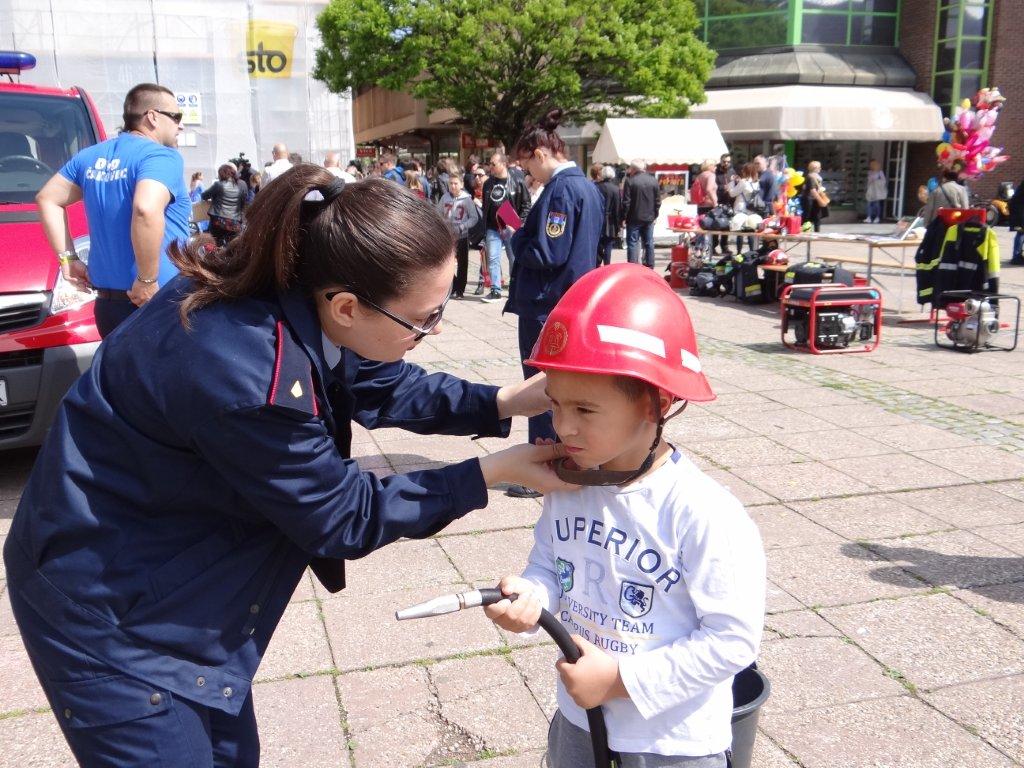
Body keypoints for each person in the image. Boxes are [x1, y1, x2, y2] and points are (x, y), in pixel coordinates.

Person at [4, 167, 572, 767]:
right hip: (111, 615)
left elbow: (375, 379)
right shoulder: (244, 372)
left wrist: (508, 400)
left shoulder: (295, 287)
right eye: (424, 319)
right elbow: (343, 514)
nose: (433, 330)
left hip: (171, 580)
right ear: (348, 306)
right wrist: (490, 473)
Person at [484, 264, 765, 768]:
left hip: (670, 742)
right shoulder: (568, 486)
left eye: (586, 410)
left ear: (657, 403)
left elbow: (732, 640)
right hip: (578, 721)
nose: (562, 425)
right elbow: (550, 566)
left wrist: (619, 681)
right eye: (555, 404)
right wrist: (532, 596)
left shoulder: (703, 512)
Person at [35, 82, 189, 337]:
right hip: (156, 300)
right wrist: (147, 280)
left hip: (108, 306)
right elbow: (145, 209)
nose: (180, 125)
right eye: (176, 117)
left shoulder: (90, 157)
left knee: (118, 376)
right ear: (152, 117)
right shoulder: (160, 157)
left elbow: (47, 199)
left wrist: (68, 259)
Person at [505, 108, 603, 497]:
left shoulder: (561, 189)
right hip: (572, 299)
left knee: (542, 386)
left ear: (539, 154)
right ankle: (570, 458)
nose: (528, 173)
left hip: (549, 302)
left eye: (527, 164)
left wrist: (517, 236)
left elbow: (548, 252)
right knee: (566, 386)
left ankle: (545, 463)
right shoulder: (587, 188)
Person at [481, 150, 532, 302]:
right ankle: (495, 290)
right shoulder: (488, 183)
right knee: (493, 258)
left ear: (503, 164)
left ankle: (515, 288)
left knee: (513, 258)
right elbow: (485, 205)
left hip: (511, 227)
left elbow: (526, 205)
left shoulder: (517, 181)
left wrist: (518, 224)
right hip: (493, 227)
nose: (490, 166)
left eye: (493, 163)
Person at [439, 173, 480, 298]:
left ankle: (460, 290)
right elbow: (438, 213)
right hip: (448, 236)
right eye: (450, 183)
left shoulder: (467, 199)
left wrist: (462, 227)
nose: (453, 186)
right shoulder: (444, 198)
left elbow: (474, 218)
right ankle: (453, 285)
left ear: (461, 184)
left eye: (456, 183)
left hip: (462, 236)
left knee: (462, 264)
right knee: (445, 263)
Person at [621, 160, 660, 268]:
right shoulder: (653, 181)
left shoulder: (630, 181)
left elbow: (626, 202)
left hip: (634, 217)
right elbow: (658, 201)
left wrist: (623, 217)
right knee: (649, 242)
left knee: (633, 243)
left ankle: (633, 266)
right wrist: (655, 214)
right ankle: (650, 265)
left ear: (633, 169)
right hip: (649, 217)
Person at [201, 162, 249, 246]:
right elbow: (243, 201)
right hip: (235, 222)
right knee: (232, 246)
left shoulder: (218, 185)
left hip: (218, 221)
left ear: (221, 174)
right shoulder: (240, 186)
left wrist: (214, 197)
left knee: (214, 244)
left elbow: (204, 196)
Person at [728, 162, 760, 253]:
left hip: (741, 208)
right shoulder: (757, 182)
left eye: (743, 169)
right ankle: (752, 251)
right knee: (750, 230)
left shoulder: (743, 182)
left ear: (747, 171)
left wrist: (732, 182)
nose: (742, 171)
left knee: (740, 232)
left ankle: (739, 252)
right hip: (752, 209)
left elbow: (732, 193)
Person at [595, 165, 622, 267]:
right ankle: (607, 266)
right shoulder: (615, 189)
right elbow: (617, 208)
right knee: (608, 245)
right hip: (610, 221)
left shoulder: (596, 187)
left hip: (597, 220)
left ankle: (596, 265)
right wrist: (618, 223)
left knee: (597, 245)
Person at [713, 153, 736, 254]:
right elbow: (713, 186)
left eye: (728, 162)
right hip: (718, 201)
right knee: (716, 225)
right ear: (720, 161)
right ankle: (713, 246)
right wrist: (723, 188)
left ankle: (724, 246)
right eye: (724, 161)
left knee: (726, 225)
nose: (726, 163)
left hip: (728, 202)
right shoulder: (715, 171)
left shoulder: (732, 171)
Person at [801, 160, 829, 232]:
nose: (820, 169)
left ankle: (808, 231)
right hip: (811, 199)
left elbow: (804, 187)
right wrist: (820, 200)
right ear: (815, 168)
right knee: (811, 216)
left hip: (810, 199)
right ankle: (811, 232)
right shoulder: (812, 177)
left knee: (811, 216)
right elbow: (813, 190)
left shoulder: (810, 176)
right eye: (819, 167)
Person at [864, 159, 887, 224]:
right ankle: (869, 217)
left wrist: (875, 180)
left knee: (877, 204)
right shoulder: (870, 172)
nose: (871, 165)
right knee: (869, 204)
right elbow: (868, 181)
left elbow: (884, 181)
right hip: (870, 189)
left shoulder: (880, 172)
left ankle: (877, 217)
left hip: (877, 190)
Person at [1008, 175, 1024, 265]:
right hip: (1019, 210)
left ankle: (1017, 255)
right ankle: (1016, 257)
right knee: (1021, 232)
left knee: (1021, 232)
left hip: (1018, 208)